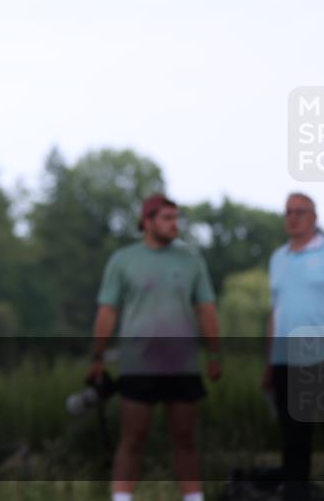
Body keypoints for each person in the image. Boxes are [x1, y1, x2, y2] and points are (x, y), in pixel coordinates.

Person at [89, 194, 222, 501]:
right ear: (147, 222)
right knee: (132, 438)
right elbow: (107, 312)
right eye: (167, 218)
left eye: (177, 218)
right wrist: (97, 357)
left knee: (185, 438)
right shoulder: (123, 260)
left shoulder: (191, 260)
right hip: (138, 364)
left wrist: (215, 353)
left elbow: (206, 309)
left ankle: (193, 498)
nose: (175, 224)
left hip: (183, 364)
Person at [264, 193, 324, 501]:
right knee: (293, 443)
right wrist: (269, 364)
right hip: (286, 363)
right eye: (288, 212)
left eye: (300, 212)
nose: (293, 217)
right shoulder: (278, 258)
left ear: (314, 216)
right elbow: (276, 312)